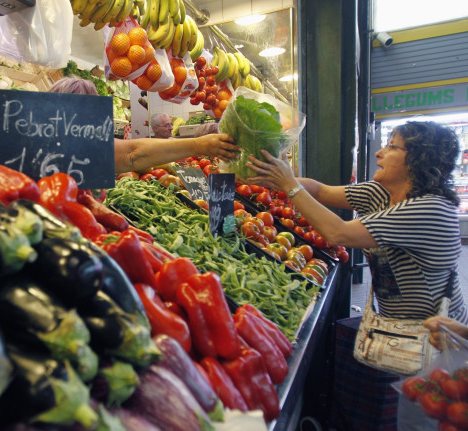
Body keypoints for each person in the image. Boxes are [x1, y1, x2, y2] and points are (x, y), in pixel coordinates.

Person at [246, 121, 466, 431]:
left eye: (391, 146)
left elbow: (338, 233)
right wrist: (273, 177)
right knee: (407, 413)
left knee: (427, 420)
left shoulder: (429, 209)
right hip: (403, 333)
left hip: (437, 340)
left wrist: (290, 186)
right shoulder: (381, 192)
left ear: (418, 159)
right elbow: (321, 191)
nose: (379, 152)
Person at [47, 77, 240, 173]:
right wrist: (199, 145)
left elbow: (133, 153)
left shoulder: (94, 146)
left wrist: (201, 145)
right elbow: (133, 153)